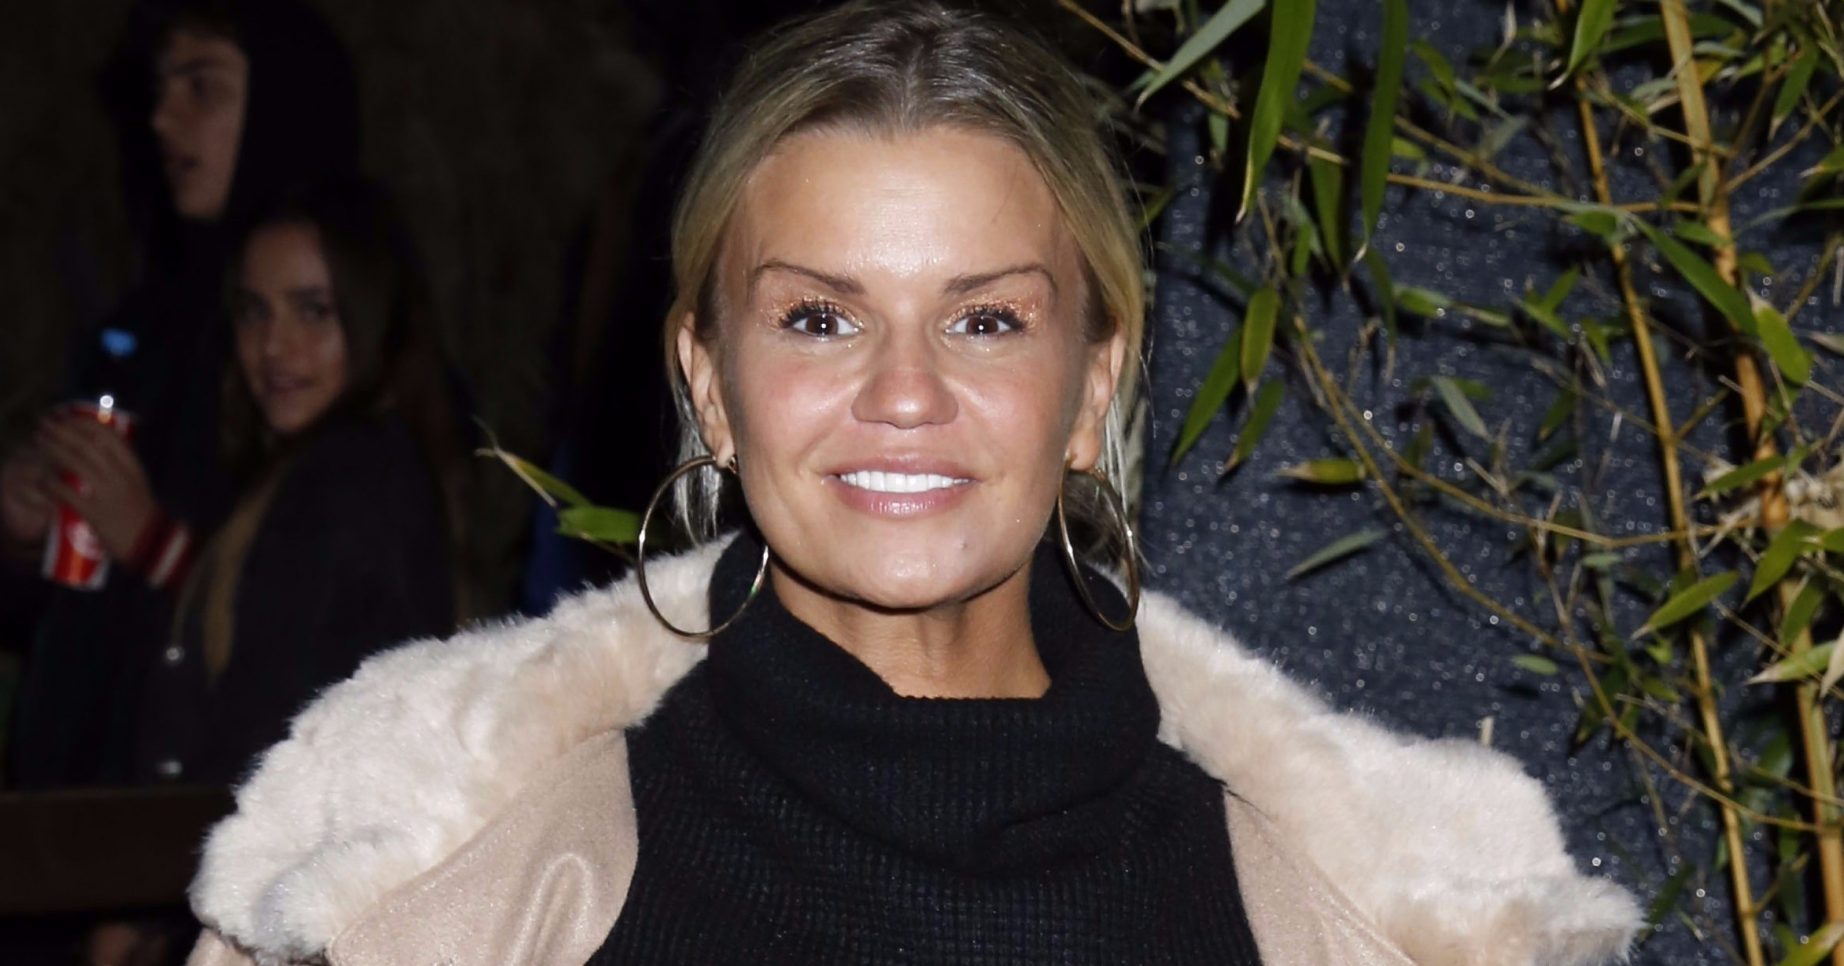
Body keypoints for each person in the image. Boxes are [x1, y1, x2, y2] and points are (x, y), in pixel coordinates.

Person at [185, 4, 1641, 964]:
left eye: (986, 319)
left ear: (1092, 385)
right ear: (709, 381)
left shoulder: (1356, 901)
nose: (903, 392)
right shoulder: (427, 866)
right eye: (820, 316)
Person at [2, 0, 361, 788]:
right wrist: (28, 535)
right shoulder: (139, 326)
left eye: (202, 87)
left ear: (281, 104)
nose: (163, 120)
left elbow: (324, 633)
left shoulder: (341, 350)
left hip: (217, 820)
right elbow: (63, 620)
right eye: (161, 89)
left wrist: (152, 540)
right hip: (70, 805)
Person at [128, 177, 464, 789]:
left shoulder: (353, 479)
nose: (274, 346)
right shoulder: (315, 469)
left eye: (314, 310)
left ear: (372, 317)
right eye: (254, 311)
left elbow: (266, 741)